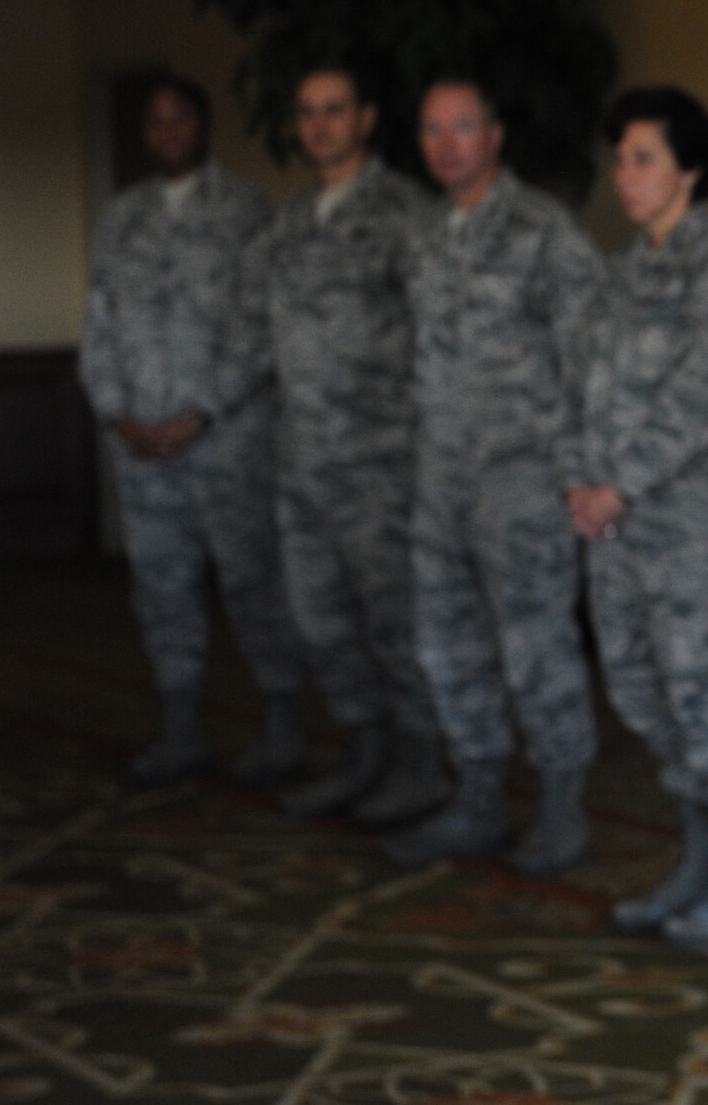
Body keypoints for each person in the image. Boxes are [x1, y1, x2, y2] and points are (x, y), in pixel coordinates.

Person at [570, 86, 708, 946]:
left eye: (643, 157)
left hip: (694, 534)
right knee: (644, 694)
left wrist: (617, 482)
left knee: (707, 697)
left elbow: (703, 400)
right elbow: (574, 393)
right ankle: (696, 857)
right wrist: (578, 481)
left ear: (690, 168)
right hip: (615, 535)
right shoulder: (615, 274)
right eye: (619, 158)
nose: (625, 174)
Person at [383, 76, 603, 876]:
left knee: (536, 647)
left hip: (523, 481)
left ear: (495, 136)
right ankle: (477, 796)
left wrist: (576, 476)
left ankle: (561, 804)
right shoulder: (422, 235)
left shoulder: (546, 231)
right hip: (441, 479)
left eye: (462, 128)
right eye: (432, 131)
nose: (446, 145)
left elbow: (587, 364)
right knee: (448, 644)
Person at [79, 74, 307, 785]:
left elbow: (259, 325)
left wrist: (200, 410)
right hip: (142, 448)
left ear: (205, 128)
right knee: (162, 586)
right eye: (155, 122)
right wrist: (117, 412)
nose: (167, 131)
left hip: (226, 440)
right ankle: (183, 732)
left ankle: (282, 729)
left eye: (181, 118)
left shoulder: (243, 210)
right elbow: (100, 324)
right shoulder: (120, 218)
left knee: (252, 582)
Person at [253, 65, 448, 827]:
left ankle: (420, 763)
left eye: (336, 110)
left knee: (393, 620)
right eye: (307, 113)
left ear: (366, 118)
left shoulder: (406, 212)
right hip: (301, 461)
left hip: (379, 464)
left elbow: (437, 335)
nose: (320, 125)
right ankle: (363, 751)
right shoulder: (291, 219)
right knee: (320, 619)